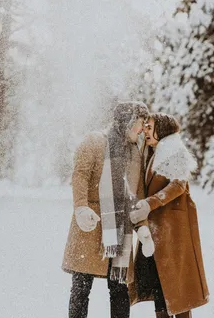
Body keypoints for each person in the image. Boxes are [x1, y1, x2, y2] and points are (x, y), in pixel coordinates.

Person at [62, 102, 155, 318]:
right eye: (141, 123)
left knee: (120, 289)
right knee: (81, 287)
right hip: (91, 225)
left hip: (121, 229)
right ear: (130, 121)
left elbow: (138, 195)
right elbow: (80, 175)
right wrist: (81, 207)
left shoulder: (135, 153)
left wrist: (142, 226)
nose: (142, 129)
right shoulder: (95, 142)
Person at [129, 113, 209, 318]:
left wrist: (150, 203)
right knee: (159, 286)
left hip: (175, 230)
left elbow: (178, 185)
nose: (146, 131)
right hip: (156, 231)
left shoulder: (176, 152)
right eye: (145, 127)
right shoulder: (151, 153)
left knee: (178, 290)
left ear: (162, 130)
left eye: (150, 127)